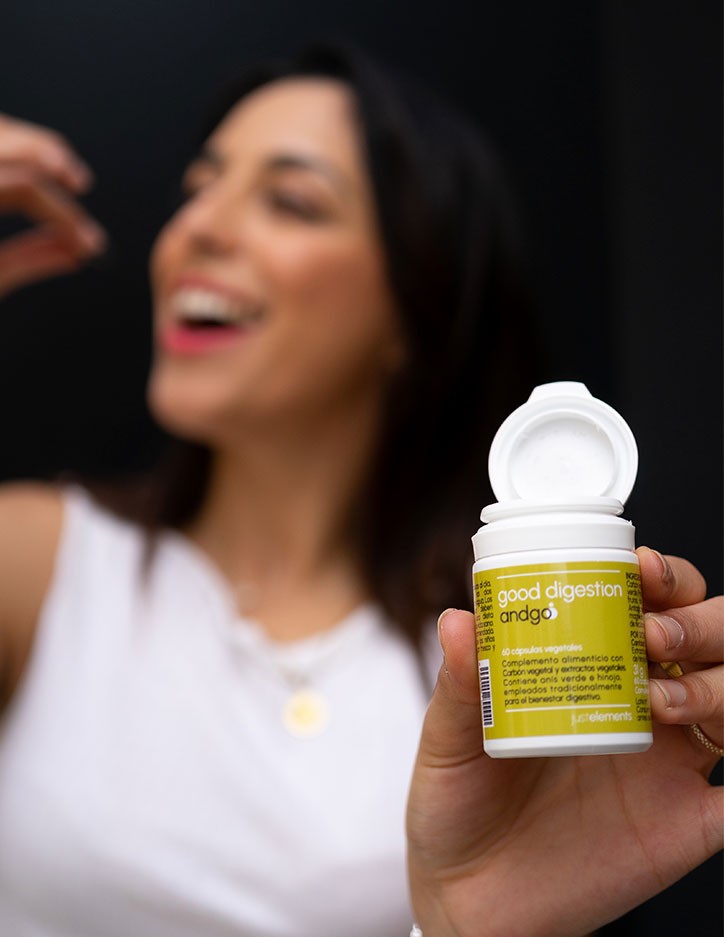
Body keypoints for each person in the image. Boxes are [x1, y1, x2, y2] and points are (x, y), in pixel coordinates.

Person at [0, 43, 721, 937]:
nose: (197, 229)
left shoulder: (501, 661)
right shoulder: (37, 561)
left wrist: (463, 928)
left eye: (291, 201)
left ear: (414, 309)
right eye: (199, 188)